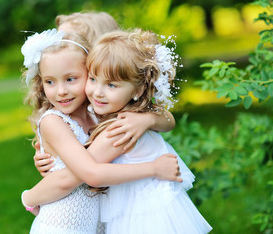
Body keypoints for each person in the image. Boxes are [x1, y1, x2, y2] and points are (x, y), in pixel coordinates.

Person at [20, 28, 182, 234]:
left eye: (71, 79)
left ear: (90, 72)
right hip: (61, 226)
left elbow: (169, 119)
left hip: (92, 225)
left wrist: (148, 119)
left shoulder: (97, 110)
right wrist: (153, 169)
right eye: (50, 81)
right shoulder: (54, 122)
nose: (61, 91)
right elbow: (91, 174)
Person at [82, 28, 212, 233]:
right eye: (92, 79)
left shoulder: (117, 129)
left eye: (111, 85)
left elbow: (80, 171)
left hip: (141, 218)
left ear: (138, 90)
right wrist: (150, 119)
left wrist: (32, 197)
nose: (97, 92)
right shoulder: (137, 113)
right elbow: (168, 119)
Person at [34, 11, 176, 175]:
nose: (61, 44)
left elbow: (167, 119)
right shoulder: (82, 105)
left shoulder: (108, 104)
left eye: (69, 37)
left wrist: (149, 119)